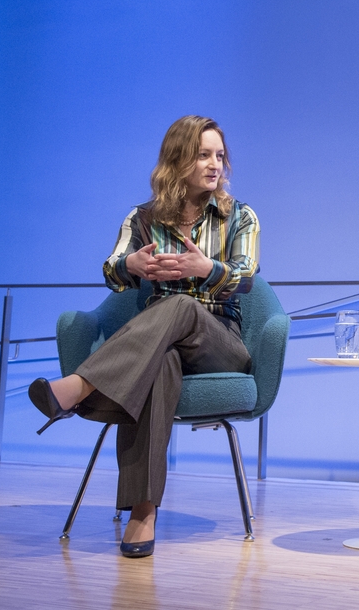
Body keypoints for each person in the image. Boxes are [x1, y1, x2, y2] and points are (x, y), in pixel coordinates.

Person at [28, 115, 260, 559]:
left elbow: (247, 276)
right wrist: (130, 266)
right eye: (203, 155)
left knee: (181, 306)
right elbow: (112, 269)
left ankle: (78, 387)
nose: (215, 164)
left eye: (219, 155)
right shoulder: (142, 218)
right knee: (161, 364)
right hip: (159, 341)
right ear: (178, 159)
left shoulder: (239, 217)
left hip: (218, 340)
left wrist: (206, 268)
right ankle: (142, 513)